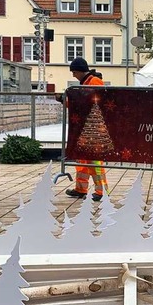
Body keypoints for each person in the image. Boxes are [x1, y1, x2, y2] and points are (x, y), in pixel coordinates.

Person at [61, 57, 107, 201]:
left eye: (74, 72)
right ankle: (80, 189)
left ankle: (101, 191)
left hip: (93, 130)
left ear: (80, 71)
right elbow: (81, 103)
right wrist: (65, 101)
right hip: (85, 129)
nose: (73, 75)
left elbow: (91, 102)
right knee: (82, 162)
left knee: (94, 162)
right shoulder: (87, 82)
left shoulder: (94, 82)